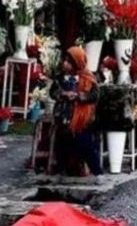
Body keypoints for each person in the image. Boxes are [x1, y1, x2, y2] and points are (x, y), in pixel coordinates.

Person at [50, 46, 102, 177]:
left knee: (86, 144)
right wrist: (62, 94)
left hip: (82, 120)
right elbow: (53, 92)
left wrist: (80, 96)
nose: (65, 64)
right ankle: (61, 170)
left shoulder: (88, 77)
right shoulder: (61, 78)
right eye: (65, 60)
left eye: (69, 61)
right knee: (62, 144)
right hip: (64, 117)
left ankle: (98, 173)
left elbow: (95, 95)